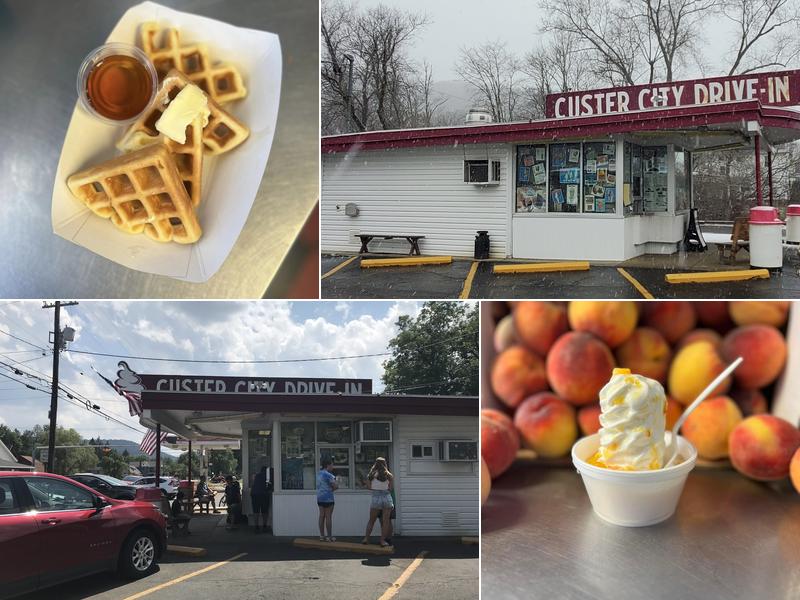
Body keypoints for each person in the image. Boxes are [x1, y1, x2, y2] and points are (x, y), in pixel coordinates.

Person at [361, 457, 394, 547]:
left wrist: (376, 488)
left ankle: (366, 538)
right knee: (386, 521)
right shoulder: (389, 475)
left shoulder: (371, 475)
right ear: (385, 464)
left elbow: (368, 487)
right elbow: (391, 488)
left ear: (375, 464)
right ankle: (382, 541)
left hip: (376, 497)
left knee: (371, 520)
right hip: (386, 497)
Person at [316, 459, 338, 542]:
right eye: (332, 465)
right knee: (328, 516)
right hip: (328, 498)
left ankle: (322, 536)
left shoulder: (319, 473)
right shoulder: (329, 475)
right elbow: (335, 486)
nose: (332, 467)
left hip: (320, 497)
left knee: (321, 515)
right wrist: (332, 488)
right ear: (328, 465)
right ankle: (329, 537)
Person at [250, 466, 271, 534]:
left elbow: (253, 484)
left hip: (255, 495)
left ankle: (256, 526)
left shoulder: (256, 476)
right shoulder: (267, 477)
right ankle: (264, 526)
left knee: (256, 511)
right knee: (264, 511)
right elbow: (269, 486)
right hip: (264, 495)